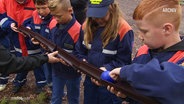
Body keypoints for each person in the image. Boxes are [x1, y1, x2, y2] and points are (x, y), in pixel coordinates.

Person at [107, 0, 184, 104]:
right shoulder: (144, 50)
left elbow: (167, 83)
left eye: (144, 31)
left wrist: (126, 72)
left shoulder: (181, 59)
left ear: (166, 29)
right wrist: (128, 95)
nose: (140, 36)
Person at [74, 0, 134, 104]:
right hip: (90, 81)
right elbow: (79, 50)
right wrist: (81, 61)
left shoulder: (123, 30)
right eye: (94, 15)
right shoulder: (85, 26)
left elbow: (124, 61)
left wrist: (107, 69)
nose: (97, 19)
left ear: (111, 7)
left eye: (101, 14)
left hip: (110, 85)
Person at [0, 0, 47, 94]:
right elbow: (2, 18)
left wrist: (30, 27)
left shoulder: (34, 2)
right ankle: (19, 81)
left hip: (32, 41)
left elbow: (41, 18)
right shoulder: (6, 1)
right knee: (20, 60)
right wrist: (9, 24)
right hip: (16, 40)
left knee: (38, 62)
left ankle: (41, 85)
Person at [48, 0, 82, 103]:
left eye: (59, 16)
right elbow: (49, 42)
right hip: (57, 71)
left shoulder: (78, 30)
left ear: (70, 10)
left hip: (72, 74)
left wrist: (70, 59)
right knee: (56, 97)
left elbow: (80, 53)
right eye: (53, 16)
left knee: (73, 98)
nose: (56, 19)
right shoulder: (53, 24)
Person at [28, 0, 57, 90]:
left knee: (56, 74)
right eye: (38, 8)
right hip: (43, 52)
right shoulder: (35, 15)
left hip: (55, 53)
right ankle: (52, 89)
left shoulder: (56, 17)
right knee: (48, 74)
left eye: (44, 8)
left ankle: (58, 92)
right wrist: (32, 39)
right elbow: (33, 30)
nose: (41, 11)